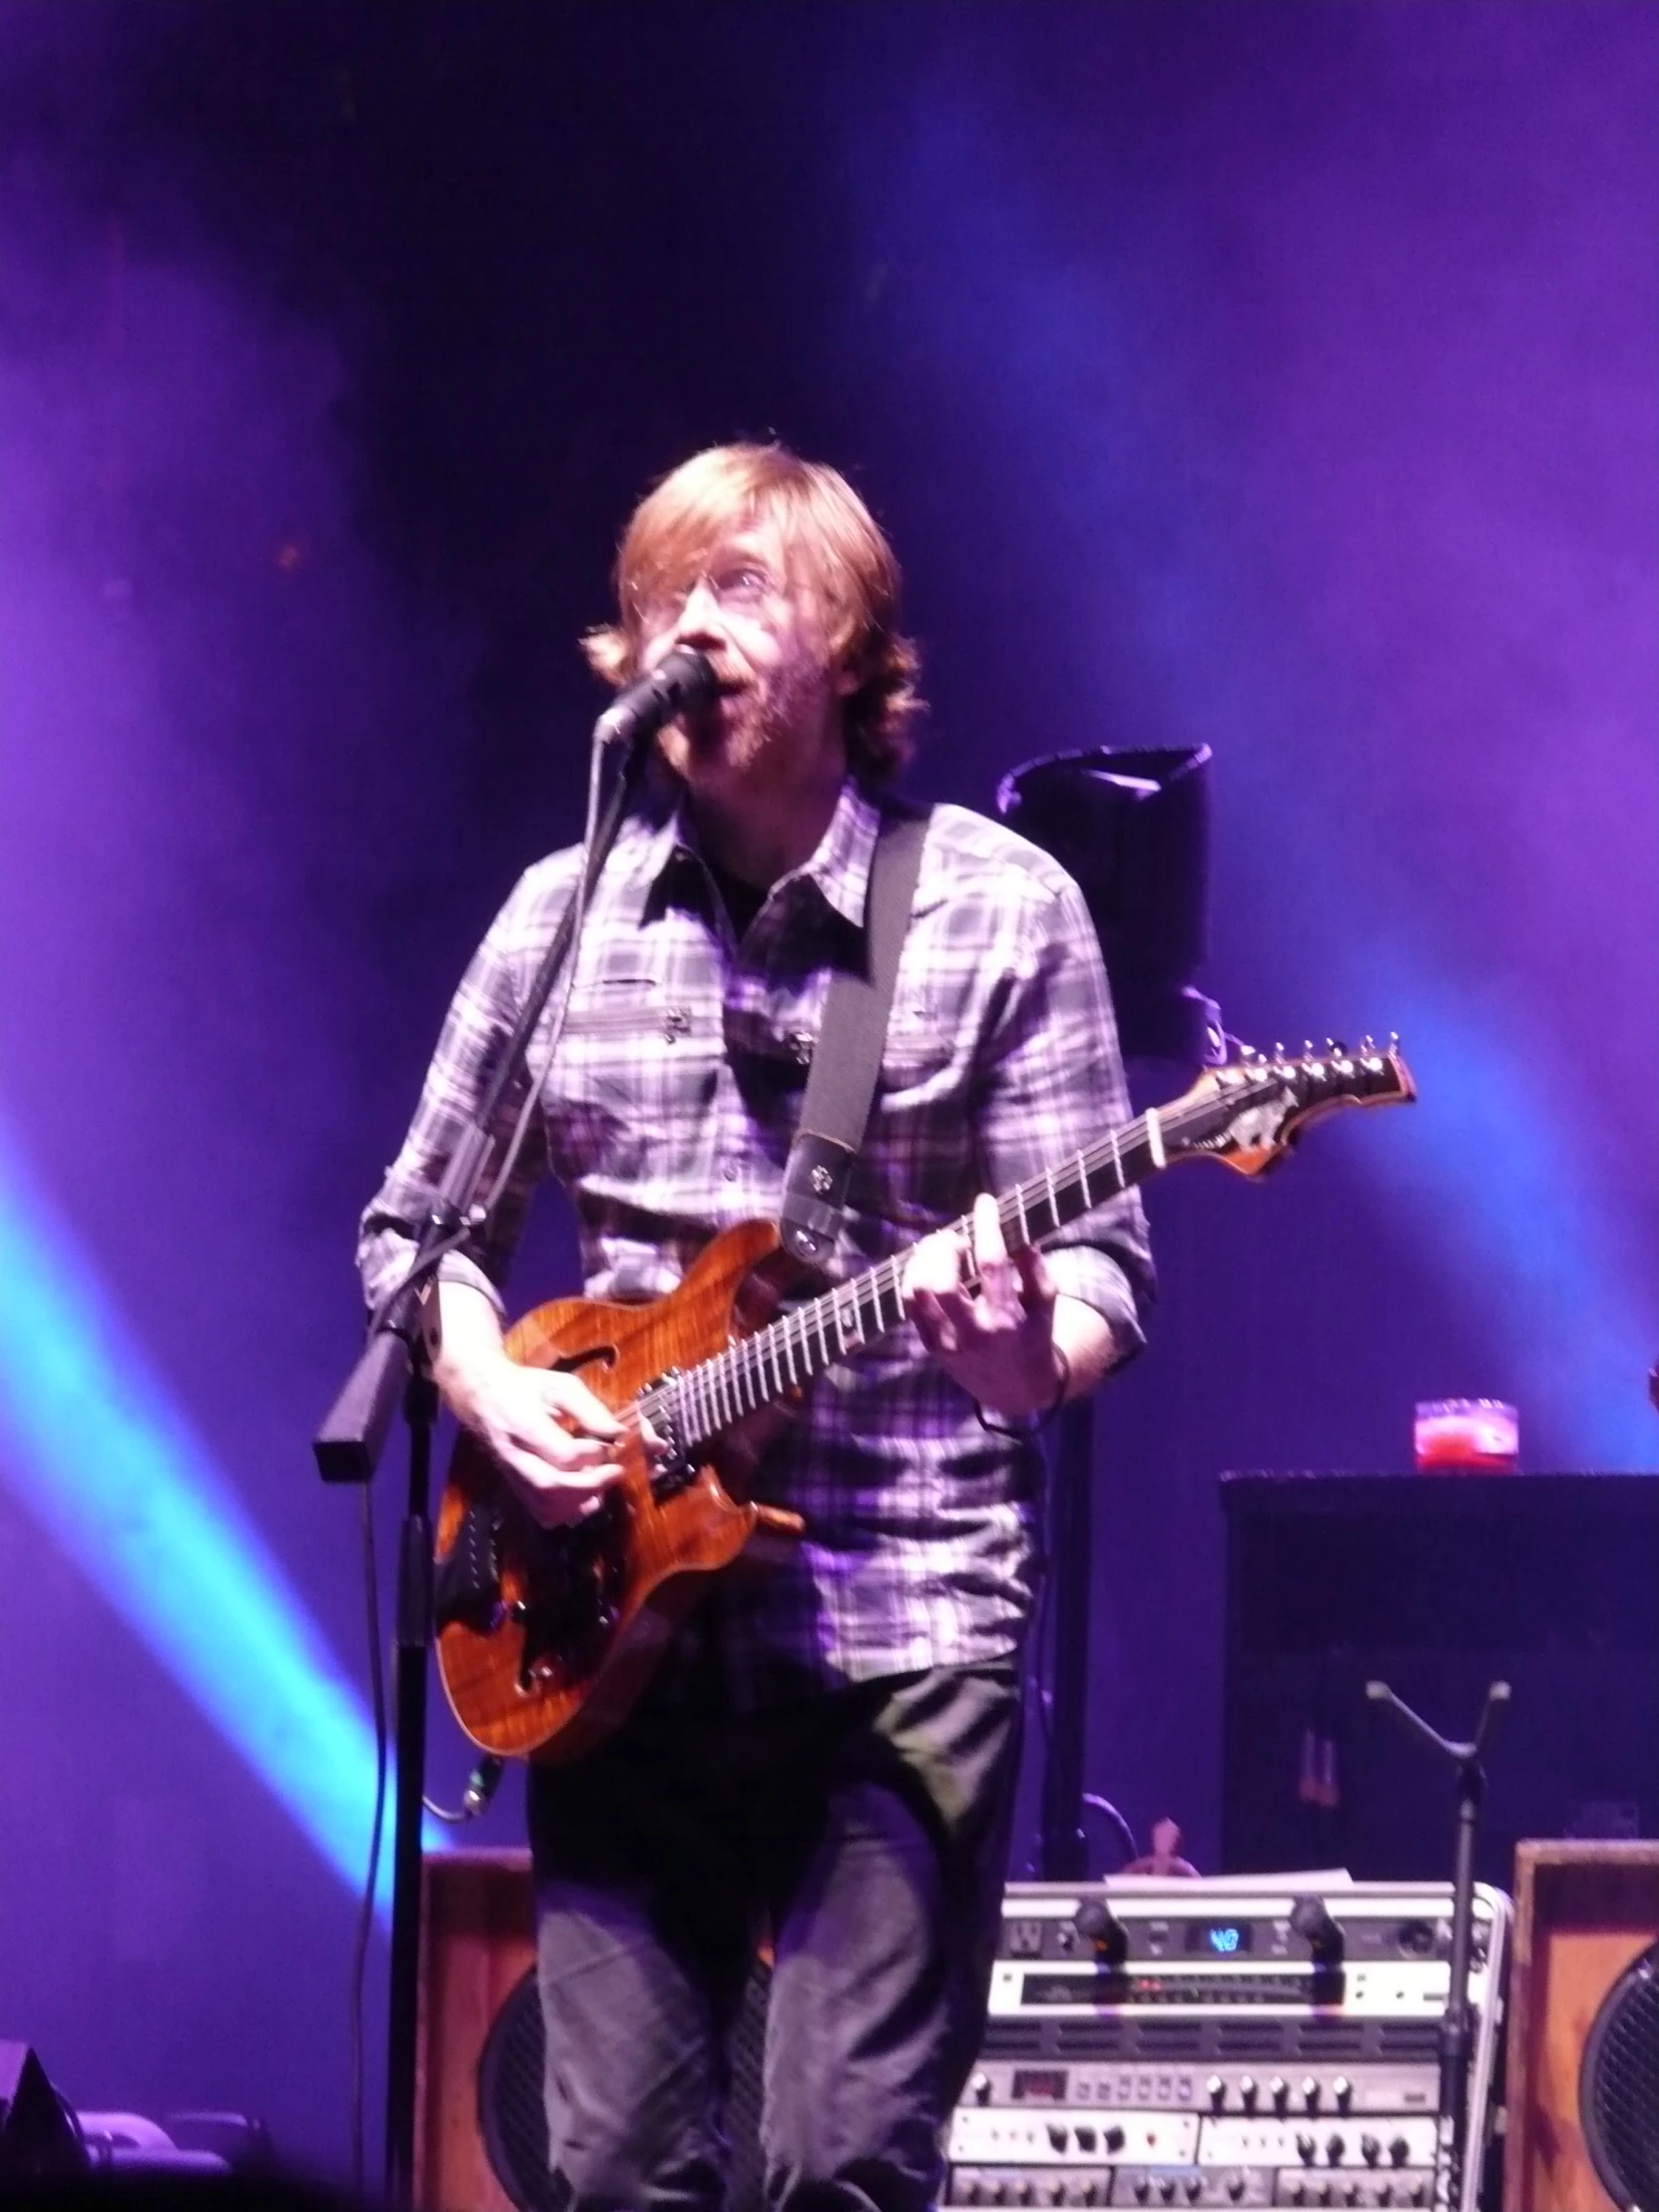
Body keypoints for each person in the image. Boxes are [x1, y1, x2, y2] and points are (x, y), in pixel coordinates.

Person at [357, 443, 1153, 2212]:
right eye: (664, 597)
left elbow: (1103, 1275)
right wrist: (485, 1383)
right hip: (606, 1627)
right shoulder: (558, 921)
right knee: (619, 2166)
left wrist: (1010, 1350)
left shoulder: (995, 909)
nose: (691, 630)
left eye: (742, 590)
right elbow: (418, 1233)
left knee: (838, 2161)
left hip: (900, 1619)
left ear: (853, 651)